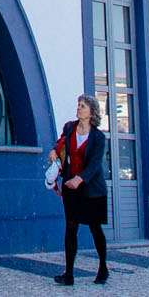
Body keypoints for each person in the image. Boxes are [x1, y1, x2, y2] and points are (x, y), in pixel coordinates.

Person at [53, 94, 108, 286]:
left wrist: (80, 178)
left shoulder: (99, 138)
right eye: (78, 105)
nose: (78, 108)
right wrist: (54, 152)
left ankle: (103, 267)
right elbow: (60, 144)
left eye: (83, 106)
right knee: (70, 228)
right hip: (71, 187)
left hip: (92, 189)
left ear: (91, 112)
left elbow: (94, 165)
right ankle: (68, 274)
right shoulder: (70, 127)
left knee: (95, 228)